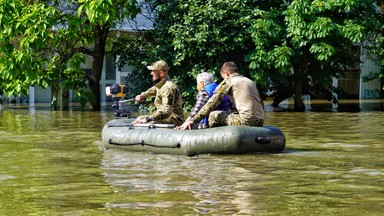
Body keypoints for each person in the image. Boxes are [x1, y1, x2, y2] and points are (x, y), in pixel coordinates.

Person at [178, 61, 264, 130]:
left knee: (213, 115)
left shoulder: (229, 81)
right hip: (260, 120)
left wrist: (192, 120)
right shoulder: (249, 81)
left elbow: (212, 103)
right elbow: (260, 102)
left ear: (226, 74)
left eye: (223, 77)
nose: (223, 79)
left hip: (246, 121)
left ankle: (214, 140)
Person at [132, 60, 184, 126]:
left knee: (149, 123)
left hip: (175, 118)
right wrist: (142, 95)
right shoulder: (161, 84)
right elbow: (152, 90)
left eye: (153, 71)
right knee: (139, 118)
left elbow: (166, 111)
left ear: (161, 73)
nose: (151, 73)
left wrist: (147, 119)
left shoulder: (168, 88)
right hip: (166, 116)